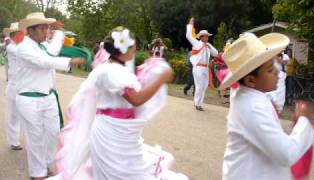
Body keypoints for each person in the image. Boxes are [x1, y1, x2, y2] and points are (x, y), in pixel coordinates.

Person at [49, 27, 188, 180]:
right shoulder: (111, 72)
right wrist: (161, 78)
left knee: (124, 171)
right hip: (111, 132)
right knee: (121, 173)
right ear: (123, 49)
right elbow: (136, 99)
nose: (136, 48)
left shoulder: (114, 69)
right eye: (134, 45)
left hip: (120, 131)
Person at [219, 32, 314, 180]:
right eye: (270, 70)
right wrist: (303, 120)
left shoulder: (250, 95)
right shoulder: (252, 106)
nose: (278, 72)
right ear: (251, 80)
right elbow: (286, 153)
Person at [15, 12, 85, 180]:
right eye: (42, 28)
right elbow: (43, 61)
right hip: (29, 99)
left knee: (53, 133)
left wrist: (59, 32)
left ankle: (49, 163)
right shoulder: (23, 47)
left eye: (47, 27)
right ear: (30, 31)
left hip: (48, 97)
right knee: (35, 137)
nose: (46, 31)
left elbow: (53, 50)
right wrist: (69, 62)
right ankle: (37, 173)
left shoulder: (43, 45)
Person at [186, 17, 218, 111]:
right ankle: (197, 104)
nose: (207, 37)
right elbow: (188, 36)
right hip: (198, 67)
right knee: (199, 86)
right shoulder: (196, 43)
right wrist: (190, 24)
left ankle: (200, 103)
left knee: (204, 86)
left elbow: (216, 53)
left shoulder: (208, 46)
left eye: (208, 36)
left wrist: (209, 46)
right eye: (206, 36)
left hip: (206, 68)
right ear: (202, 37)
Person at [3, 22, 24, 150]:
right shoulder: (12, 46)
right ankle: (14, 141)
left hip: (24, 84)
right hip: (14, 84)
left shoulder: (21, 46)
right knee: (13, 115)